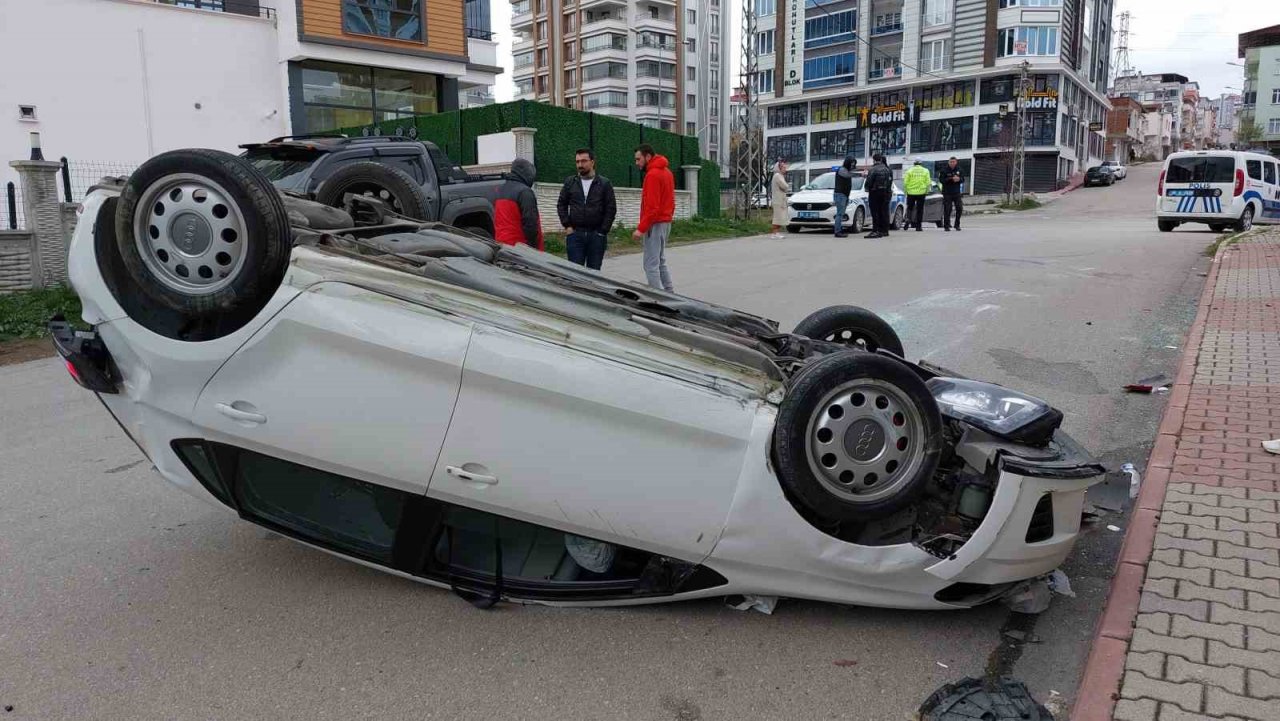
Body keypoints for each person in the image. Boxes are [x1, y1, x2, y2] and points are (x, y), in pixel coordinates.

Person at [557, 148, 617, 270]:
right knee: (574, 273)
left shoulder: (604, 183)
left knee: (594, 273)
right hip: (575, 235)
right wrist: (567, 226)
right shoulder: (570, 182)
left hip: (596, 235)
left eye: (584, 161)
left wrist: (602, 231)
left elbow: (611, 208)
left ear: (592, 162)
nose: (580, 165)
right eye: (577, 162)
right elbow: (561, 204)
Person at [632, 144, 675, 292]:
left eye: (638, 159)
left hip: (655, 225)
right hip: (665, 222)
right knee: (660, 261)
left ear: (648, 157)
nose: (637, 163)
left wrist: (640, 229)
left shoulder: (652, 175)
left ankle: (659, 299)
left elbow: (652, 208)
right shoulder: (667, 172)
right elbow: (671, 201)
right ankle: (669, 293)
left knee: (650, 264)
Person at [494, 158, 543, 249]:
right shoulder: (525, 192)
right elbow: (530, 223)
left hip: (502, 245)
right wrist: (533, 247)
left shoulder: (500, 190)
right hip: (520, 249)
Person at [864, 153, 893, 239]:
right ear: (881, 159)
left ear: (874, 160)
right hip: (885, 192)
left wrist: (867, 188)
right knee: (883, 211)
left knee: (875, 212)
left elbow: (869, 181)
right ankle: (883, 230)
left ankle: (875, 230)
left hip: (874, 192)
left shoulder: (873, 169)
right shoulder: (887, 169)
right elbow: (890, 182)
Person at [903, 160, 931, 232]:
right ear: (921, 164)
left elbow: (905, 182)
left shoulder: (909, 170)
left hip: (911, 193)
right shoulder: (925, 170)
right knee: (920, 210)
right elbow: (928, 182)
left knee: (910, 208)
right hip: (921, 193)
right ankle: (918, 226)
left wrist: (906, 192)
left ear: (914, 164)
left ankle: (908, 219)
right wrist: (927, 191)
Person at [939, 156, 965, 232]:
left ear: (956, 162)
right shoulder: (944, 170)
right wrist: (950, 179)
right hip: (947, 192)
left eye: (953, 162)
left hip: (956, 192)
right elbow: (941, 180)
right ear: (948, 162)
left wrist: (959, 179)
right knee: (947, 209)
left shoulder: (959, 169)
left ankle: (957, 225)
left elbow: (963, 179)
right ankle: (946, 226)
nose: (952, 163)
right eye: (951, 162)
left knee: (959, 208)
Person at [833, 156, 857, 238]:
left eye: (854, 163)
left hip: (844, 195)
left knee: (841, 213)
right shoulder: (842, 170)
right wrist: (860, 174)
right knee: (840, 214)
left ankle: (839, 229)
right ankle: (837, 231)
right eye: (852, 163)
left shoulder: (846, 170)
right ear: (848, 162)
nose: (853, 165)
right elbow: (848, 175)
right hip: (840, 195)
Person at [770, 160, 791, 237]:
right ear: (779, 168)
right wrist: (786, 187)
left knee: (780, 216)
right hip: (778, 200)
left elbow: (785, 187)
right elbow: (785, 186)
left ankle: (776, 232)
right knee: (777, 217)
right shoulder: (777, 176)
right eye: (783, 167)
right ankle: (775, 233)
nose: (785, 169)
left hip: (780, 199)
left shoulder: (780, 176)